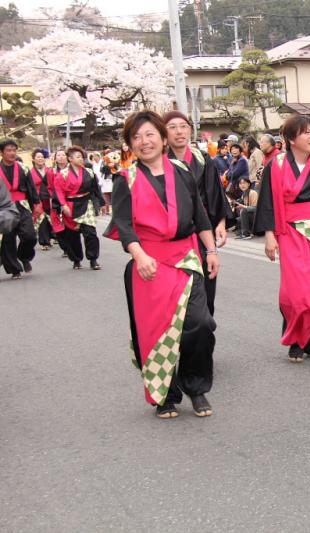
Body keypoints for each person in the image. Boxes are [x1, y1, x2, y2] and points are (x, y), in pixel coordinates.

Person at [106, 110, 218, 419]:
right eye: (137, 137)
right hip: (149, 263)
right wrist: (139, 255)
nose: (145, 141)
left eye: (150, 134)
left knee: (200, 324)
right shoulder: (125, 179)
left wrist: (211, 251)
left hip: (186, 258)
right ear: (130, 144)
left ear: (163, 138)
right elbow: (124, 225)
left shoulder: (182, 170)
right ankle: (165, 395)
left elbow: (200, 216)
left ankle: (196, 387)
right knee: (156, 332)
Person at [253, 115, 310, 363]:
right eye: (306, 132)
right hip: (289, 231)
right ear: (291, 139)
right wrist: (269, 236)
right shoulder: (277, 165)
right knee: (296, 291)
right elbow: (268, 201)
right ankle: (296, 340)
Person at [163, 111, 232, 315]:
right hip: (173, 234)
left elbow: (215, 193)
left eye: (183, 126)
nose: (179, 132)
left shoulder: (202, 159)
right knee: (177, 293)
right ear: (164, 133)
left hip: (203, 232)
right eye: (172, 127)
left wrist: (220, 223)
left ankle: (203, 333)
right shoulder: (158, 161)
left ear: (190, 130)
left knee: (205, 286)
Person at [53, 146, 104, 270]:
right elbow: (58, 191)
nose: (81, 159)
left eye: (81, 156)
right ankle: (76, 259)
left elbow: (95, 189)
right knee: (72, 236)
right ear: (70, 159)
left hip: (87, 204)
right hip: (71, 205)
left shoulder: (89, 172)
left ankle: (93, 259)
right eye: (77, 157)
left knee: (91, 233)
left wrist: (99, 204)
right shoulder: (63, 174)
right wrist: (63, 205)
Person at [0, 139, 39, 279]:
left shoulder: (23, 168)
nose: (11, 153)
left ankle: (24, 256)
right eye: (8, 150)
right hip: (3, 207)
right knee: (8, 239)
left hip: (22, 205)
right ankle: (14, 269)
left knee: (30, 235)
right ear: (2, 153)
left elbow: (31, 188)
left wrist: (37, 204)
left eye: (13, 150)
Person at [30, 149, 54, 250]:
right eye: (38, 157)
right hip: (37, 198)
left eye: (42, 157)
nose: (40, 159)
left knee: (51, 217)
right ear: (34, 159)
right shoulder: (30, 173)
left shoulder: (50, 170)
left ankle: (51, 237)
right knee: (41, 218)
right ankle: (44, 242)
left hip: (49, 197)